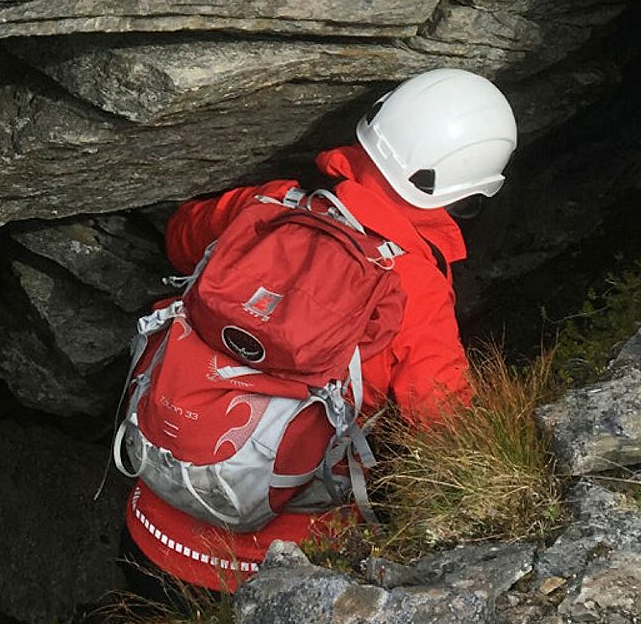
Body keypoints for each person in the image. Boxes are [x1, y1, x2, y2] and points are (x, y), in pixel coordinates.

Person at [122, 68, 517, 590]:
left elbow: (182, 237)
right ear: (467, 195)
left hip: (152, 503)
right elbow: (445, 424)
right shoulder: (414, 284)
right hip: (274, 563)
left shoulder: (264, 206)